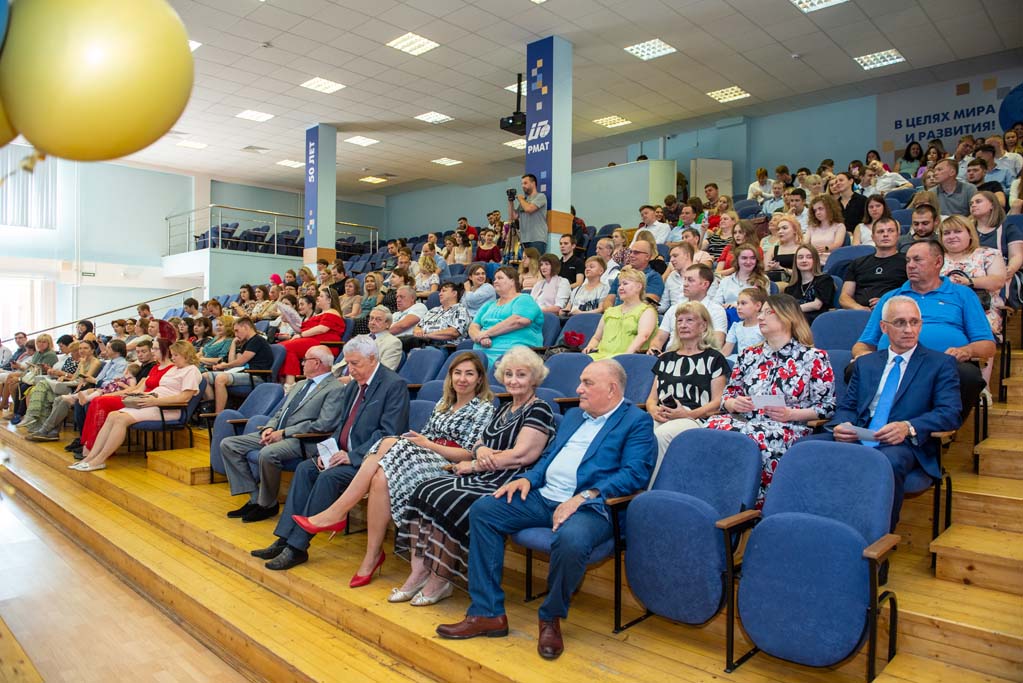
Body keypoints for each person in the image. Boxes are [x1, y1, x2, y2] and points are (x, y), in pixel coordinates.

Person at [435, 359, 655, 660]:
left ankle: (550, 616)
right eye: (581, 381)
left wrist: (584, 496)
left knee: (571, 539)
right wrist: (528, 479)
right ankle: (487, 613)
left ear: (612, 389)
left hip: (592, 506)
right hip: (544, 496)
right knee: (485, 510)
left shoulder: (636, 421)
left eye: (587, 383)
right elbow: (549, 457)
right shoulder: (575, 415)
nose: (579, 388)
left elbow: (635, 473)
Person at [292, 352, 499, 591]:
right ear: (450, 377)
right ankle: (371, 555)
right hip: (424, 459)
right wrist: (420, 442)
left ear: (479, 379)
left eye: (469, 374)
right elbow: (425, 437)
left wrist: (428, 445)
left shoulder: (483, 408)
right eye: (457, 373)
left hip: (450, 467)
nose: (462, 379)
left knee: (388, 442)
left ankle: (338, 513)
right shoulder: (443, 405)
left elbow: (470, 454)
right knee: (380, 477)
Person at [391, 347, 553, 606]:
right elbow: (478, 442)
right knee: (425, 489)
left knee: (448, 498)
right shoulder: (504, 408)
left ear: (534, 378)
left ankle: (441, 578)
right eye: (509, 374)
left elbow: (522, 455)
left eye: (521, 375)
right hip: (486, 472)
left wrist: (476, 464)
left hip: (508, 479)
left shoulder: (539, 409)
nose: (513, 380)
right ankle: (419, 572)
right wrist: (482, 450)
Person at [249, 336, 409, 571]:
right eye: (348, 363)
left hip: (369, 461)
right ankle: (284, 538)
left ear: (372, 358)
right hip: (342, 454)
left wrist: (352, 456)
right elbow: (342, 426)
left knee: (328, 477)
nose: (350, 369)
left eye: (355, 363)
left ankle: (297, 547)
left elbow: (389, 433)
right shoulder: (353, 386)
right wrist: (328, 452)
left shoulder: (393, 385)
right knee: (305, 468)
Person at [810, 296, 961, 533]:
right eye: (900, 322)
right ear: (884, 327)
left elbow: (950, 413)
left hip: (903, 442)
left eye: (914, 322)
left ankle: (877, 538)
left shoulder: (940, 364)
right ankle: (816, 526)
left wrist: (908, 427)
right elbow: (848, 406)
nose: (909, 329)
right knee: (805, 449)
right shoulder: (866, 363)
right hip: (860, 433)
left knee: (885, 462)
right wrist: (843, 424)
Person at [705, 294, 835, 505]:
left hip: (788, 426)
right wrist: (733, 403)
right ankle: (715, 497)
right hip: (746, 420)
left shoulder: (814, 357)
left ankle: (750, 504)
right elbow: (728, 394)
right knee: (710, 426)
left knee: (749, 436)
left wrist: (791, 414)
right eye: (761, 312)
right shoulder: (749, 355)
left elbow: (827, 407)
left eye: (768, 312)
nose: (760, 317)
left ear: (787, 317)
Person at [853, 240, 995, 419]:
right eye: (908, 260)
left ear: (938, 262)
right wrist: (863, 355)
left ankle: (943, 426)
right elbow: (863, 343)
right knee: (854, 369)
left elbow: (987, 345)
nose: (910, 265)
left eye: (917, 260)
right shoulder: (891, 297)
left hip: (942, 364)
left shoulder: (963, 294)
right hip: (894, 363)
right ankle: (874, 422)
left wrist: (967, 351)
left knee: (969, 375)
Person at [219, 344, 344, 521]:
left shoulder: (335, 388)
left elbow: (324, 424)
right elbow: (280, 412)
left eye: (305, 360)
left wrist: (285, 432)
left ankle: (267, 505)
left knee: (267, 453)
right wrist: (270, 427)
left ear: (317, 363)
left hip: (303, 440)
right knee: (229, 444)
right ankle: (255, 498)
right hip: (278, 433)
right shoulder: (300, 384)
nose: (302, 364)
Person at [72, 341, 202, 472]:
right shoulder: (174, 369)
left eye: (175, 355)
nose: (172, 358)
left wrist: (155, 401)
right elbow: (160, 388)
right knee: (112, 415)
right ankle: (90, 457)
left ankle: (99, 460)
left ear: (186, 355)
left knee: (121, 419)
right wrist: (142, 395)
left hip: (167, 408)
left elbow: (184, 398)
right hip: (152, 401)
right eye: (172, 355)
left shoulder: (192, 371)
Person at [647, 302, 728, 469]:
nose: (683, 325)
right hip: (663, 415)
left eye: (689, 320)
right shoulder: (665, 358)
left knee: (661, 435)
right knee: (637, 432)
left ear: (703, 325)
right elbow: (651, 399)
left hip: (695, 418)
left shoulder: (714, 358)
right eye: (679, 321)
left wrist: (688, 414)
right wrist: (654, 411)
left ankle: (652, 485)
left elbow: (718, 401)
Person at [940, 215, 1007, 341]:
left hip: (981, 310)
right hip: (942, 309)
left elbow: (998, 281)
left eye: (957, 231)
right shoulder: (935, 258)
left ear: (970, 234)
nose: (951, 236)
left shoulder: (987, 254)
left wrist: (969, 282)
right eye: (947, 233)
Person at [469, 267, 545, 362]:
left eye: (500, 278)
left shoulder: (524, 299)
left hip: (511, 356)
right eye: (495, 279)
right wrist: (480, 338)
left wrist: (486, 333)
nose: (495, 281)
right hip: (479, 355)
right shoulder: (488, 305)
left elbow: (518, 321)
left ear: (512, 281)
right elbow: (473, 326)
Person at [202, 317, 276, 414]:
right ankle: (210, 407)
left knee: (221, 378)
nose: (235, 334)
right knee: (205, 377)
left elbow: (241, 362)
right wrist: (233, 343)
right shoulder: (246, 342)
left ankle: (217, 415)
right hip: (243, 373)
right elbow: (233, 362)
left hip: (256, 376)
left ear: (246, 327)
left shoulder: (257, 341)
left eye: (237, 331)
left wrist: (223, 366)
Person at [583, 266, 657, 360]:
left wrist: (625, 357)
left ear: (639, 287)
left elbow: (643, 336)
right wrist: (590, 347)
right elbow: (597, 338)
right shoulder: (610, 311)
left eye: (625, 284)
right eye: (619, 285)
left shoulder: (647, 311)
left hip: (626, 360)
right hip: (600, 356)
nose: (620, 288)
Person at [650, 264, 729, 351]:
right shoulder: (674, 309)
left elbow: (717, 344)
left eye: (690, 280)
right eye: (685, 279)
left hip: (700, 356)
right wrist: (654, 348)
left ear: (705, 284)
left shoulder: (717, 311)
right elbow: (659, 339)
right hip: (670, 355)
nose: (685, 284)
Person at [278, 288, 344, 387]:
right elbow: (301, 329)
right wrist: (289, 320)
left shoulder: (332, 312)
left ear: (329, 300)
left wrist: (301, 335)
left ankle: (289, 383)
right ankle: (287, 382)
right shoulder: (320, 314)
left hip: (324, 344)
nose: (318, 298)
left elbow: (322, 329)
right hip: (312, 340)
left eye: (321, 296)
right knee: (281, 348)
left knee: (285, 348)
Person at [840, 219, 908, 311]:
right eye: (880, 231)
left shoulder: (908, 262)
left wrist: (887, 302)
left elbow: (915, 292)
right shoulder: (858, 263)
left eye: (890, 231)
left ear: (898, 235)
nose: (885, 234)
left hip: (894, 311)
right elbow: (844, 297)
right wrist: (859, 308)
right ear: (873, 237)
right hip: (859, 312)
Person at [971, 190, 1023, 290]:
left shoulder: (1008, 228)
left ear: (992, 205)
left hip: (1001, 274)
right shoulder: (967, 230)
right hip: (972, 273)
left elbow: (1016, 255)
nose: (973, 205)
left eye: (978, 201)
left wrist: (1010, 269)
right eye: (971, 203)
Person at [407, 282, 471, 349]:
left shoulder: (461, 310)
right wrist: (418, 331)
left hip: (445, 347)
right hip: (422, 344)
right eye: (440, 291)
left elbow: (453, 332)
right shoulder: (433, 310)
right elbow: (418, 327)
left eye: (444, 291)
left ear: (454, 293)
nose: (440, 294)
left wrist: (427, 335)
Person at [603, 239, 664, 307]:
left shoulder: (654, 277)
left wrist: (624, 311)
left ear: (647, 256)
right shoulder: (622, 274)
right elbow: (608, 300)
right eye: (631, 252)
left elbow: (648, 302)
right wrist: (611, 312)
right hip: (616, 312)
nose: (631, 255)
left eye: (636, 252)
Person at [787, 245, 835, 324]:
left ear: (815, 260)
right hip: (795, 321)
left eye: (809, 257)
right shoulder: (791, 287)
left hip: (817, 322)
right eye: (800, 257)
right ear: (795, 261)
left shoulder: (825, 280)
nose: (804, 260)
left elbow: (817, 305)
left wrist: (789, 310)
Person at [721, 287, 767, 359]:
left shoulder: (764, 326)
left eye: (743, 303)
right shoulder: (736, 326)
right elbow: (725, 352)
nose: (739, 307)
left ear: (758, 306)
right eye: (738, 303)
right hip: (740, 361)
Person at [510, 173, 548, 253]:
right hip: (524, 240)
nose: (523, 186)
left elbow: (529, 209)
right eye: (522, 184)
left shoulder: (540, 196)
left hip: (537, 239)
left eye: (525, 183)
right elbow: (513, 217)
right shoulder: (524, 201)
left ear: (533, 183)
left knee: (536, 261)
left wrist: (520, 199)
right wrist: (511, 201)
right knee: (526, 262)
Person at [807, 193, 846, 264]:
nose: (817, 213)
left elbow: (838, 244)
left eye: (820, 209)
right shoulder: (811, 227)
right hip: (814, 261)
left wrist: (826, 248)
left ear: (830, 208)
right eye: (815, 210)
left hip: (832, 261)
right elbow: (805, 244)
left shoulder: (839, 226)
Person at [765, 214, 804, 282]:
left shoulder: (802, 249)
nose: (780, 231)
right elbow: (765, 271)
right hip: (775, 283)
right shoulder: (772, 250)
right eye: (778, 229)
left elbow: (803, 273)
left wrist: (781, 268)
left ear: (795, 230)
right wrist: (771, 267)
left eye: (784, 228)